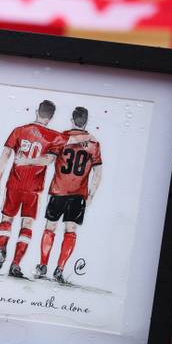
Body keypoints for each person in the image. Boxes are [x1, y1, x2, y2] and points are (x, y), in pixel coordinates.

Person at [0, 100, 60, 279]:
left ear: (37, 111)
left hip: (14, 183)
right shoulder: (54, 137)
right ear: (51, 117)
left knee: (7, 218)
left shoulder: (19, 130)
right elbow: (47, 161)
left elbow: (5, 155)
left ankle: (1, 250)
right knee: (27, 224)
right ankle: (15, 264)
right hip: (33, 188)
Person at [37, 106, 103, 284]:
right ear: (86, 121)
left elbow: (49, 159)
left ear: (72, 120)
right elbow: (98, 172)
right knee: (71, 230)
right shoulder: (93, 144)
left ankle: (43, 265)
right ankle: (59, 269)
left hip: (58, 190)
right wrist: (91, 195)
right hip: (78, 194)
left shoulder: (61, 138)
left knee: (50, 227)